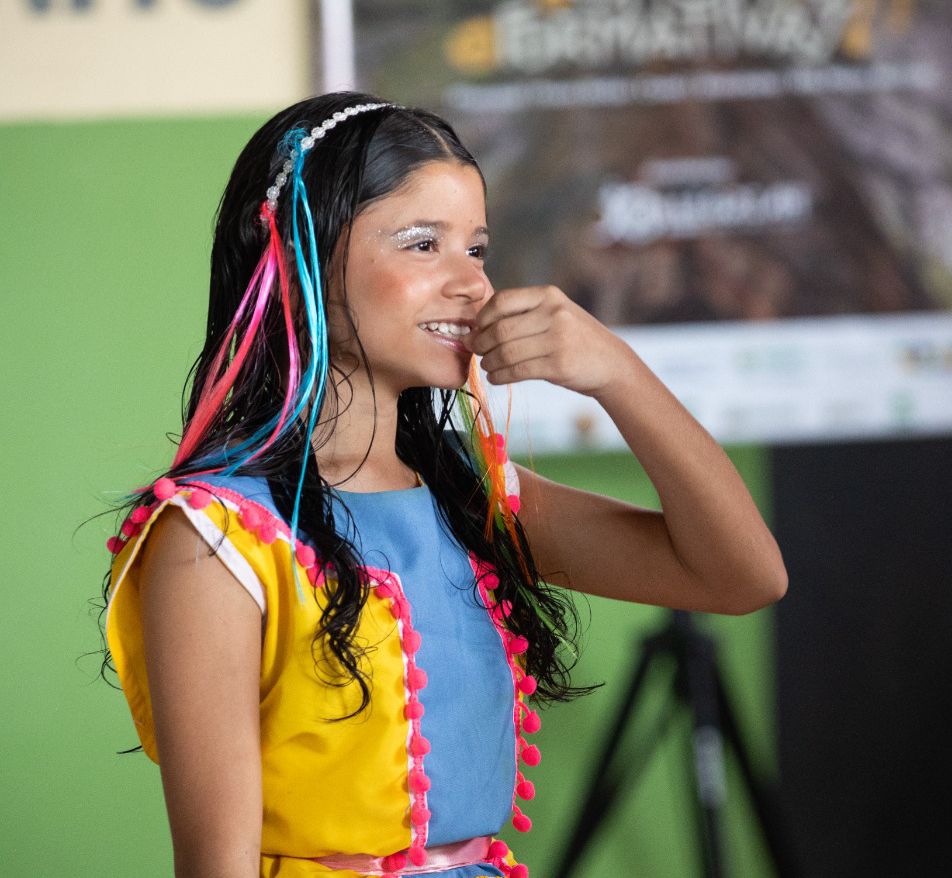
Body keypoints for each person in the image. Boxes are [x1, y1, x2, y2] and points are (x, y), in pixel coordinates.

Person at [102, 92, 787, 878]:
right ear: (297, 263)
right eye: (423, 244)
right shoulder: (214, 534)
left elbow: (744, 576)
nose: (471, 285)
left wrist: (618, 375)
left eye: (479, 249)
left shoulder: (470, 496)